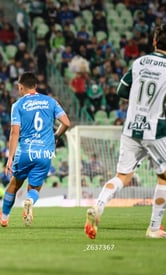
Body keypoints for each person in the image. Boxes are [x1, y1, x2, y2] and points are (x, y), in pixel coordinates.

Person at [85, 25, 166, 239]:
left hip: (131, 127)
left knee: (122, 176)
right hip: (156, 129)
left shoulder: (139, 62)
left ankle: (99, 206)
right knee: (164, 178)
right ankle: (154, 227)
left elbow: (122, 90)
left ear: (155, 41)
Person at [0, 72, 70, 227]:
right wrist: (56, 136)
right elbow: (66, 123)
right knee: (35, 187)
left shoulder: (17, 105)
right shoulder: (50, 101)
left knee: (14, 184)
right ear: (36, 86)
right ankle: (30, 200)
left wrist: (10, 157)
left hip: (25, 151)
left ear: (21, 87)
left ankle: (4, 217)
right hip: (45, 152)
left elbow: (14, 132)